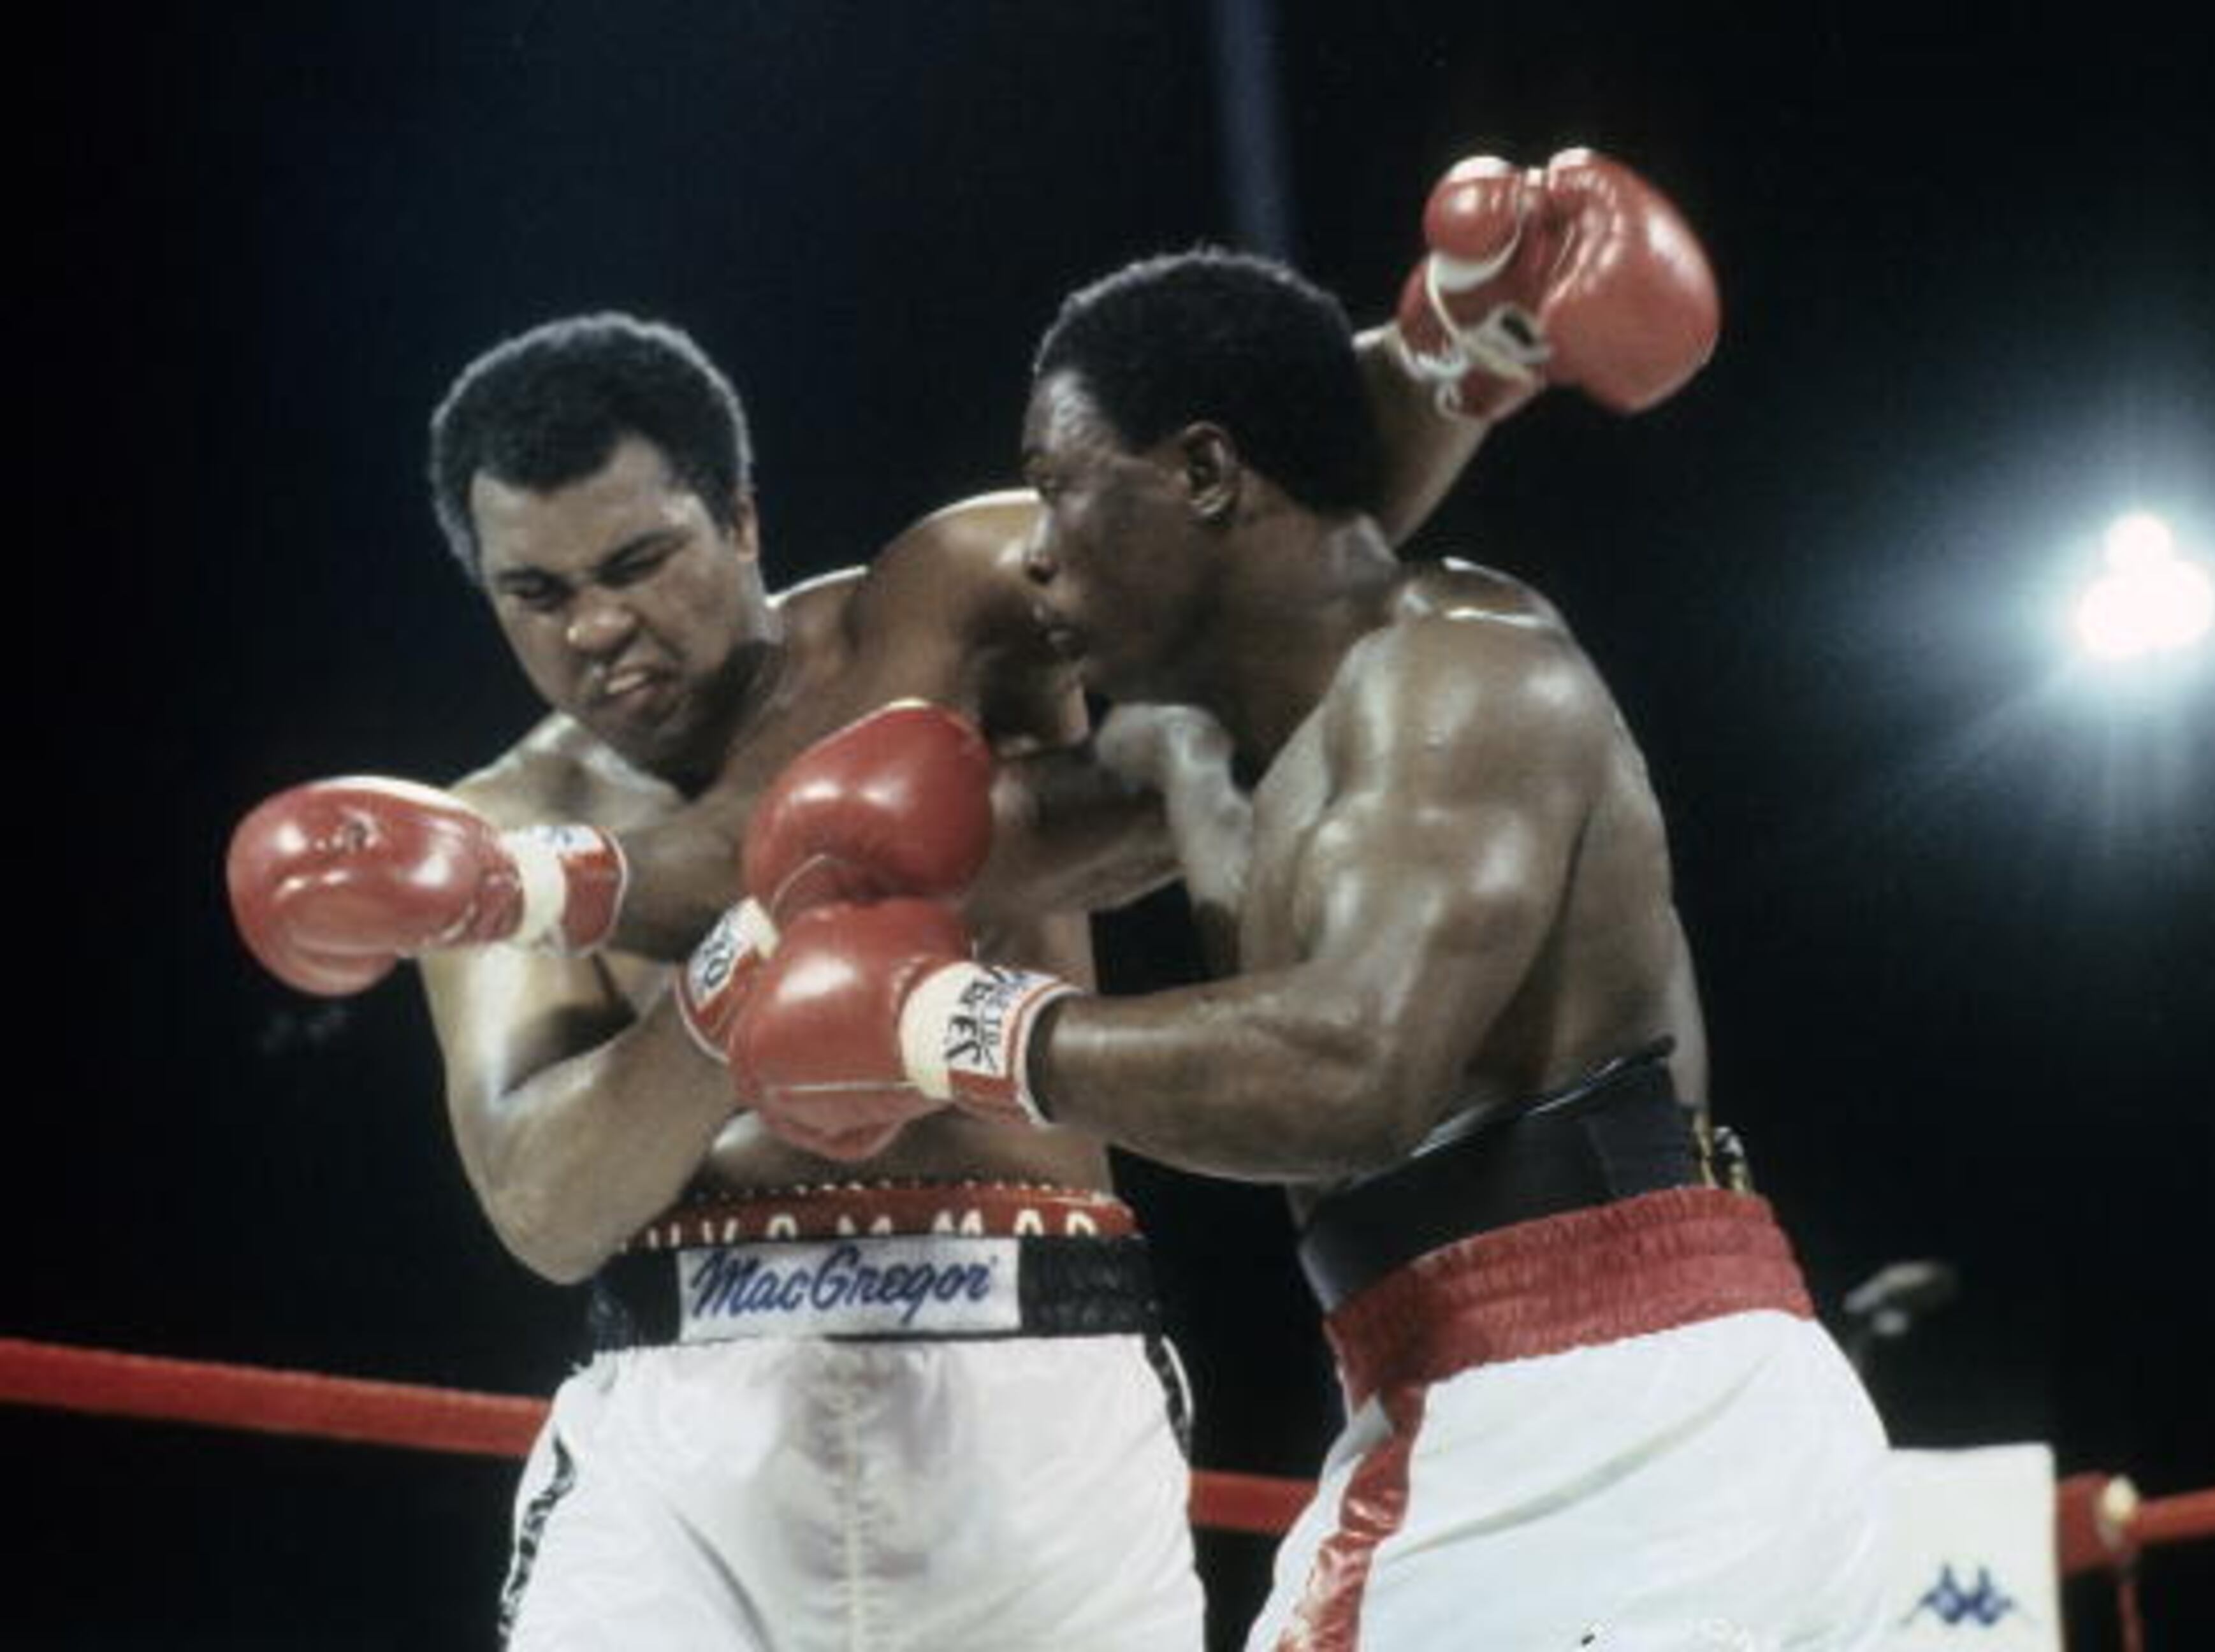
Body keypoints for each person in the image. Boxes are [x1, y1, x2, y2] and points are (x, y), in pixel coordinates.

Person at [222, 204, 1499, 1648]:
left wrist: (1464, 351)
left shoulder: (945, 611)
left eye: (637, 563)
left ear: (742, 519)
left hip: (1031, 1392)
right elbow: (545, 1204)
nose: (595, 628)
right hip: (690, 1434)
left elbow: (1241, 547)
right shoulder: (489, 829)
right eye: (540, 592)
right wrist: (751, 971)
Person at [716, 150, 1894, 1651]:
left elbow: (1351, 1066)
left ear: (1205, 475)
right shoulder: (1196, 755)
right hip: (1521, 1394)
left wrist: (952, 1021)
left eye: (1063, 486)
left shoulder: (1467, 673)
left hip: (1594, 1407)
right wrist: (753, 898)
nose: (1032, 549)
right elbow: (888, 858)